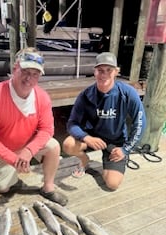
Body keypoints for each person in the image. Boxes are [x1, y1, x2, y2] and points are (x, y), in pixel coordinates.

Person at [0, 47, 68, 206]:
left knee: (54, 146)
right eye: (25, 71)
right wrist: (12, 159)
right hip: (4, 149)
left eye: (35, 74)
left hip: (27, 143)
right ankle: (14, 170)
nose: (29, 78)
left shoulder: (42, 97)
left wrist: (28, 151)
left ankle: (48, 188)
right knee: (2, 188)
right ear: (15, 68)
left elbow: (47, 129)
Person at [63, 52, 146, 190]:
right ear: (94, 72)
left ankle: (109, 164)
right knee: (68, 144)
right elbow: (72, 123)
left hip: (116, 141)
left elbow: (140, 122)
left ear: (116, 72)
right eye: (100, 70)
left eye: (109, 70)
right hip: (93, 137)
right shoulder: (85, 95)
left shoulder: (127, 93)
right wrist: (86, 137)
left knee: (112, 184)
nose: (104, 74)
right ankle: (84, 160)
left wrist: (126, 149)